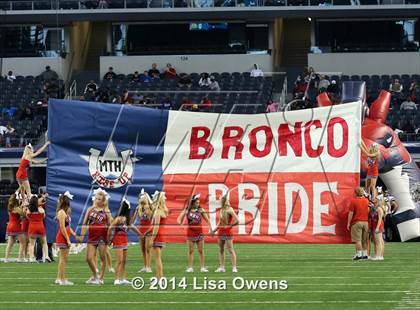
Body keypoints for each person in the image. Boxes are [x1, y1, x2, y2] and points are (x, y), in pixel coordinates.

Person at [79, 188, 112, 285]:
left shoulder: (106, 211)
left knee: (102, 258)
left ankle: (101, 278)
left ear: (103, 201)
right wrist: (81, 235)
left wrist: (110, 238)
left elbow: (110, 226)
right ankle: (95, 276)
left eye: (99, 199)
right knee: (89, 258)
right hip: (92, 237)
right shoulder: (90, 209)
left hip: (102, 237)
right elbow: (85, 223)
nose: (96, 200)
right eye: (96, 198)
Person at [177, 194, 212, 273]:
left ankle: (202, 267)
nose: (198, 204)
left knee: (201, 251)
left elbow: (208, 220)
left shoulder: (201, 210)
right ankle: (190, 267)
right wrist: (181, 224)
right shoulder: (187, 210)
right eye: (196, 202)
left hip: (199, 232)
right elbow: (178, 219)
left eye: (198, 202)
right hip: (190, 233)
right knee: (191, 251)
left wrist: (211, 229)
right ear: (192, 203)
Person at [108, 198, 135, 285]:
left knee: (124, 261)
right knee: (119, 260)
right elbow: (110, 228)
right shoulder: (118, 218)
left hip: (124, 240)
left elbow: (131, 226)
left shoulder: (126, 219)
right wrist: (109, 239)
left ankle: (123, 279)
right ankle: (116, 279)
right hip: (118, 240)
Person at [212, 191, 239, 273]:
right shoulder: (221, 210)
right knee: (221, 249)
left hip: (228, 232)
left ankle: (234, 267)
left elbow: (237, 220)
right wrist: (214, 230)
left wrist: (230, 226)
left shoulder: (229, 209)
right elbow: (220, 222)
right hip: (220, 231)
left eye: (221, 200)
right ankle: (221, 267)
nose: (220, 201)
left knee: (230, 249)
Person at [55, 191, 78, 285]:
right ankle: (62, 279)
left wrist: (74, 234)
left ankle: (58, 278)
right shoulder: (61, 212)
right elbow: (62, 227)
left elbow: (68, 226)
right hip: (62, 237)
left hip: (65, 236)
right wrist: (68, 239)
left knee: (64, 259)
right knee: (63, 259)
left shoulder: (64, 213)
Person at [132, 189, 154, 273]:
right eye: (140, 198)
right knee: (143, 249)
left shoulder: (149, 207)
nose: (141, 199)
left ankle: (148, 267)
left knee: (148, 248)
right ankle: (145, 266)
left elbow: (152, 220)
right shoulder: (138, 208)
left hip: (148, 230)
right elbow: (132, 221)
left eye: (142, 197)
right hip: (141, 231)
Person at [347, 187, 369, 260]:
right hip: (365, 222)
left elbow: (351, 213)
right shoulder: (366, 200)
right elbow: (368, 211)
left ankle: (359, 255)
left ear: (356, 193)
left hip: (357, 222)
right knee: (364, 240)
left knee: (358, 240)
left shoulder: (354, 201)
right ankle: (365, 254)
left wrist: (348, 223)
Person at [27, 195, 50, 263]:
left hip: (32, 226)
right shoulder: (41, 209)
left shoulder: (29, 210)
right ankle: (46, 256)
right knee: (44, 243)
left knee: (32, 244)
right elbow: (44, 216)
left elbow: (27, 216)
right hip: (40, 226)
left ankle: (31, 258)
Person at [151, 191, 169, 279]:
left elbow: (156, 226)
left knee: (157, 259)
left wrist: (151, 239)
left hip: (158, 236)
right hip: (161, 235)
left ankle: (160, 278)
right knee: (158, 259)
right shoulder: (163, 211)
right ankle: (159, 277)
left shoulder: (158, 211)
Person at [4, 193, 24, 262]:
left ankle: (6, 258)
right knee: (22, 243)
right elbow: (23, 214)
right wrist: (23, 206)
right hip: (16, 226)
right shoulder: (16, 208)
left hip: (10, 225)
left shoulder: (10, 207)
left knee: (10, 243)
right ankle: (19, 258)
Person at [368, 196, 385, 261]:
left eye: (375, 198)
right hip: (374, 225)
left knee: (378, 241)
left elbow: (380, 219)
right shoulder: (374, 207)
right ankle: (379, 255)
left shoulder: (379, 208)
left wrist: (377, 227)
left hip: (378, 226)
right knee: (378, 241)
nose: (373, 199)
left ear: (378, 200)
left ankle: (378, 256)